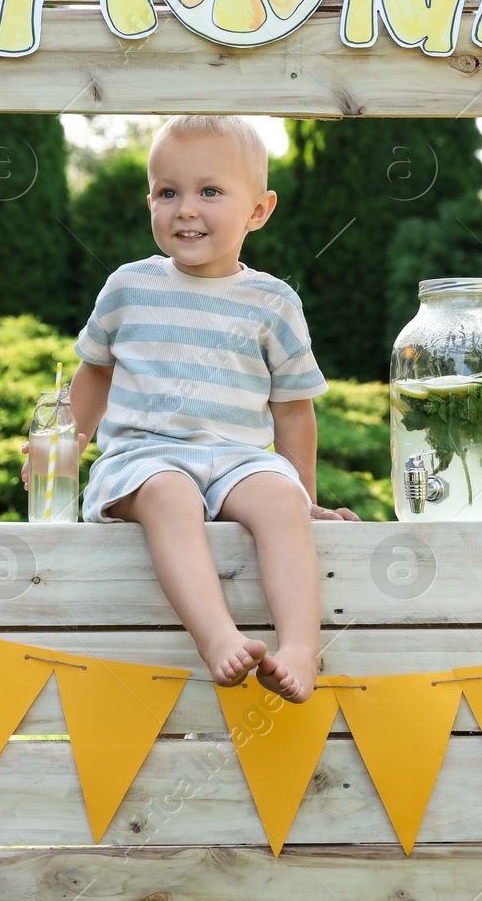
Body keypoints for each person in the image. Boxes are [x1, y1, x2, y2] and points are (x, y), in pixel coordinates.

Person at [38, 115, 359, 703]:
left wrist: (306, 498)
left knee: (279, 497)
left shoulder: (273, 301)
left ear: (259, 211)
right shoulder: (129, 286)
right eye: (168, 192)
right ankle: (217, 638)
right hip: (143, 457)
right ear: (150, 202)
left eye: (209, 191)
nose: (185, 208)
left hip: (237, 458)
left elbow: (292, 412)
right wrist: (58, 458)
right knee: (171, 494)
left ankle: (298, 648)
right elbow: (94, 374)